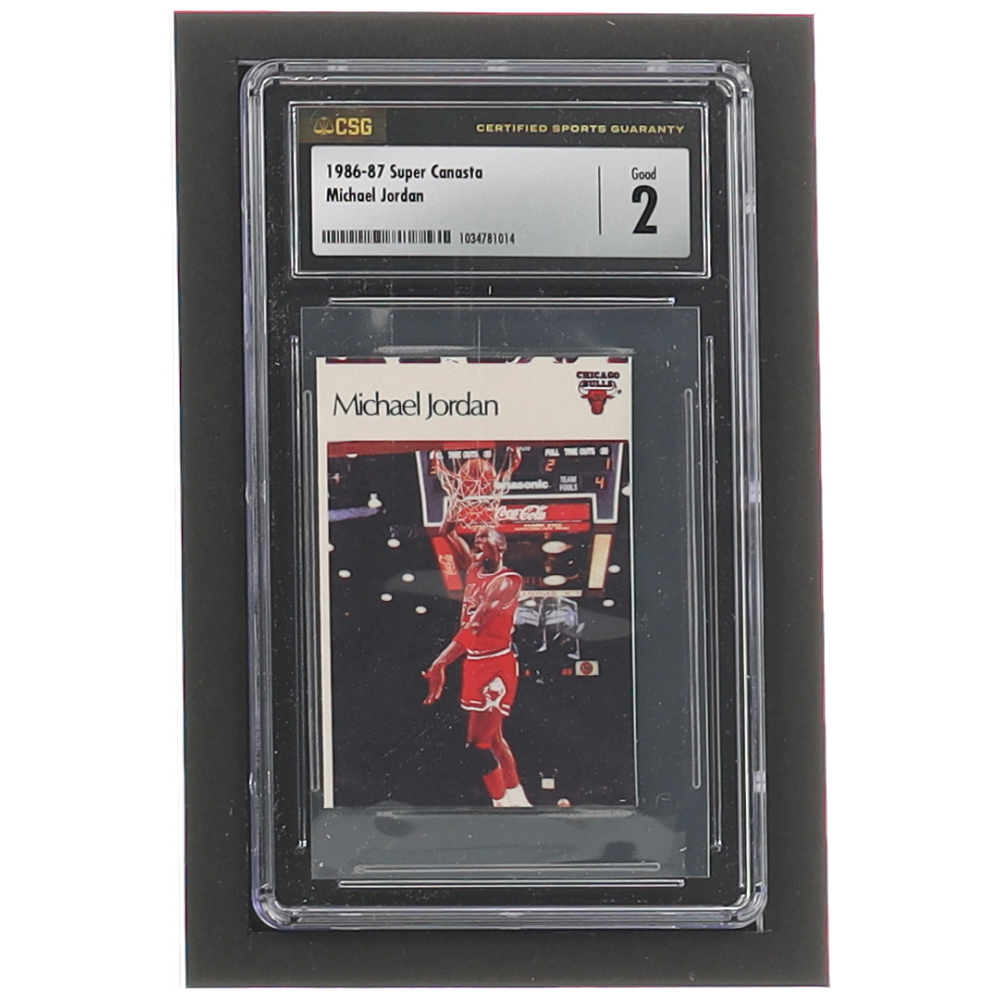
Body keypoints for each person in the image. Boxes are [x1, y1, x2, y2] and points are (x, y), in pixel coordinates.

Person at [422, 522, 531, 807]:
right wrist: (448, 532)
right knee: (494, 739)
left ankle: (501, 804)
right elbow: (460, 553)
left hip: (496, 665)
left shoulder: (508, 581)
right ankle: (518, 801)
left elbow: (475, 626)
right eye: (476, 538)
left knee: (476, 747)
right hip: (474, 662)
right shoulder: (474, 570)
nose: (478, 540)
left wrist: (440, 663)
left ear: (502, 546)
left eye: (485, 537)